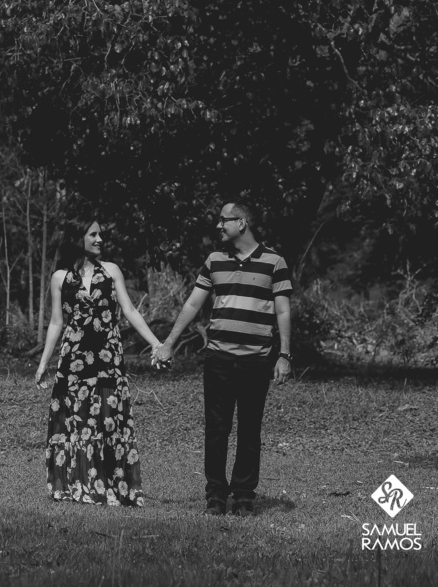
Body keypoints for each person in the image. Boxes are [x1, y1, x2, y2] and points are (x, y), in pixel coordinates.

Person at [153, 201, 293, 517]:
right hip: (218, 360)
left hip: (256, 361)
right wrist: (169, 343)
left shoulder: (274, 262)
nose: (218, 226)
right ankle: (215, 495)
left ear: (241, 223)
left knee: (249, 431)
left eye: (223, 220)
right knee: (217, 430)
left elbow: (283, 311)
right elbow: (192, 304)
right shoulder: (214, 260)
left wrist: (284, 355)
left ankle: (243, 496)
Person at [34, 217, 163, 506]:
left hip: (108, 357)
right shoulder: (60, 277)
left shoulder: (111, 271)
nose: (99, 239)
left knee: (109, 418)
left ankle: (111, 484)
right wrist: (43, 364)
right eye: (92, 234)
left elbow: (130, 310)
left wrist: (156, 344)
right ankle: (80, 485)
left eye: (100, 235)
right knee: (77, 419)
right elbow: (56, 322)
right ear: (77, 238)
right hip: (74, 360)